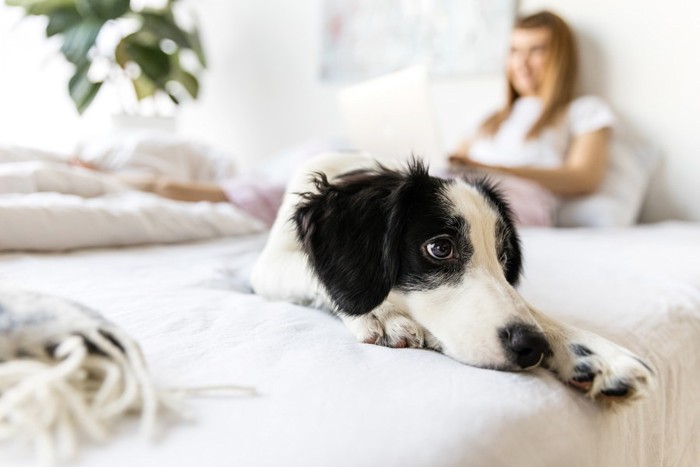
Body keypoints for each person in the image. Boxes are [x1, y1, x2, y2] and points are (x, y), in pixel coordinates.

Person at [449, 10, 616, 226]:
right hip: (466, 194)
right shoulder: (489, 119)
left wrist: (496, 170)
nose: (522, 63)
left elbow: (584, 177)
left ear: (561, 58)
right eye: (515, 51)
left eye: (536, 50)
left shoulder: (584, 110)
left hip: (520, 202)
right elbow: (457, 162)